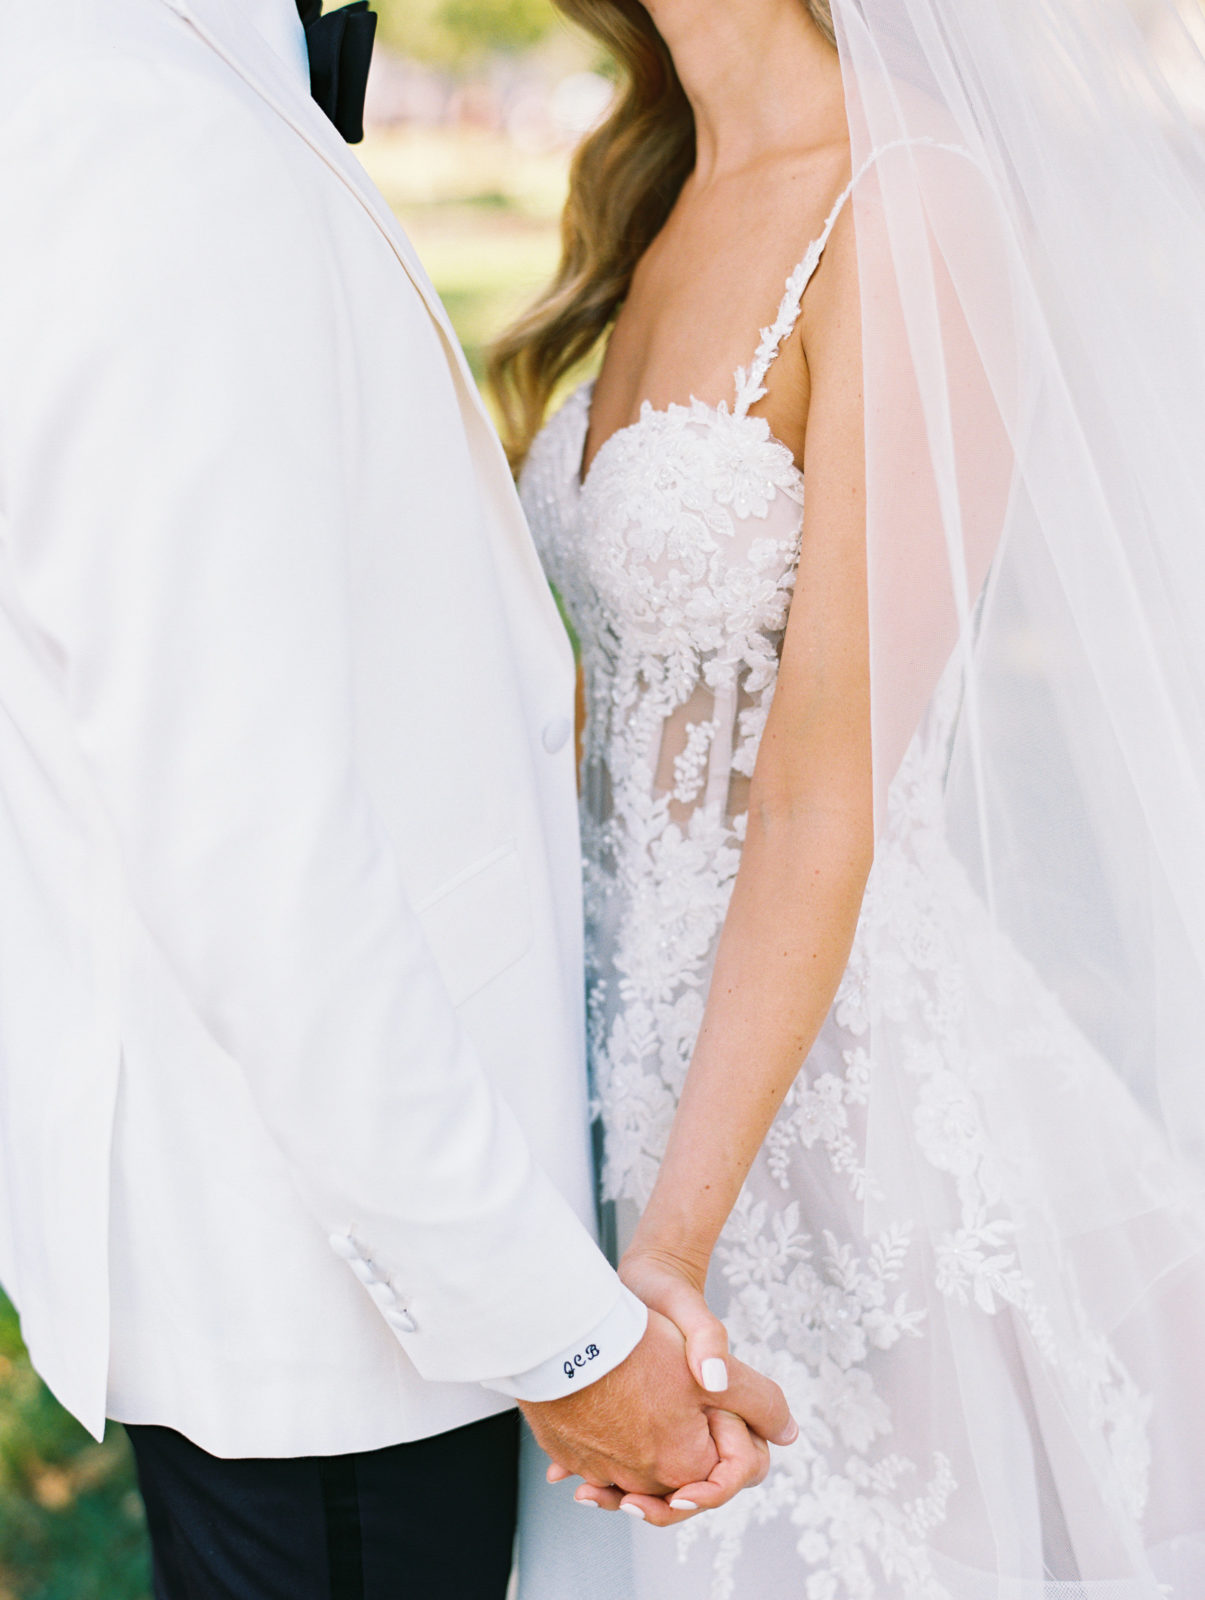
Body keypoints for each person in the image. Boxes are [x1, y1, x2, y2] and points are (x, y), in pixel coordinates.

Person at [0, 2, 797, 1596]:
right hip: (346, 1281)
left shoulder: (176, 81)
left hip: (364, 1236)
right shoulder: (138, 120)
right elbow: (244, 829)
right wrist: (554, 1334)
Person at [496, 0, 1205, 1593]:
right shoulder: (654, 183)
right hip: (621, 1073)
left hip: (839, 1111)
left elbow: (826, 794)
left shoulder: (907, 199)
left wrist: (666, 1255)